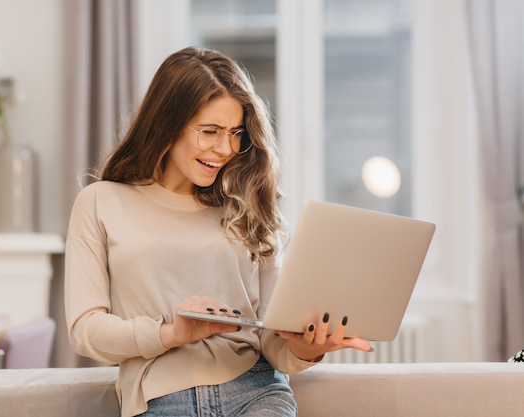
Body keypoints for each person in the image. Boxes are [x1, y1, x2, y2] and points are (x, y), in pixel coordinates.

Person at [65, 46, 372, 417]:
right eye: (210, 131)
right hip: (161, 399)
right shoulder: (101, 202)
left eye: (235, 133)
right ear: (166, 124)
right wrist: (171, 332)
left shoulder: (249, 204)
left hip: (256, 391)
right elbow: (86, 330)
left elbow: (273, 340)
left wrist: (307, 347)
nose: (225, 148)